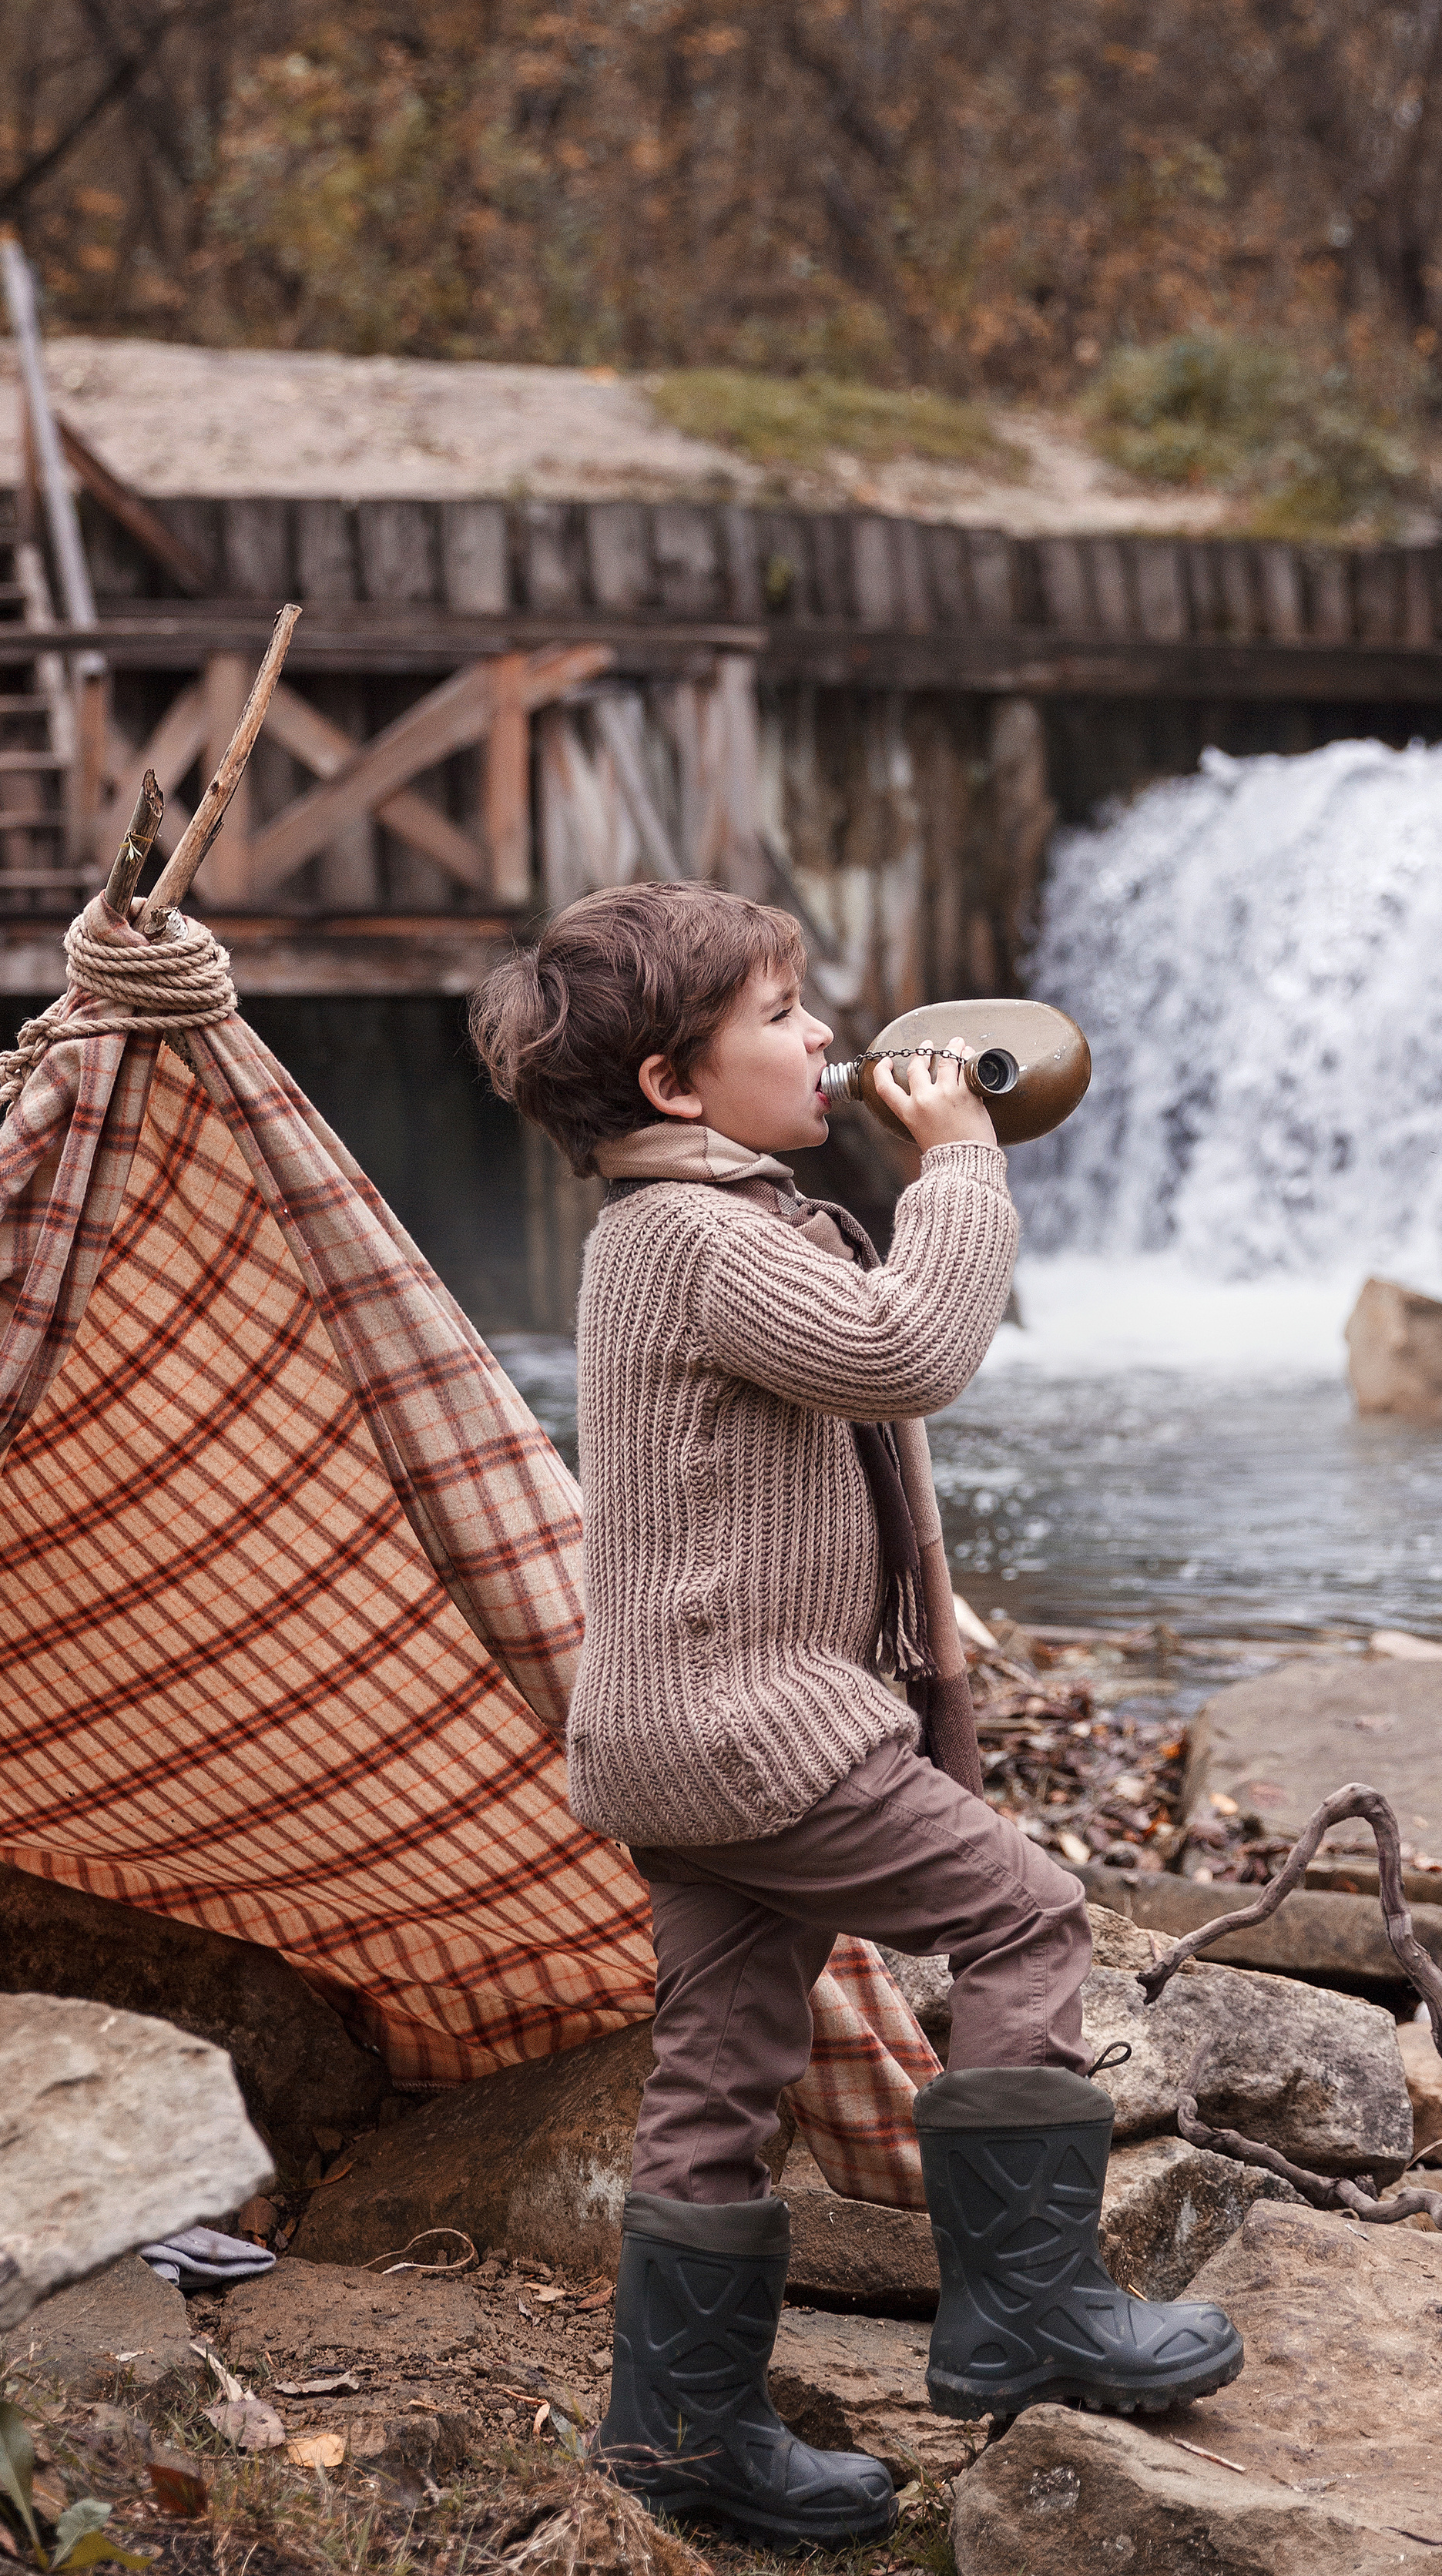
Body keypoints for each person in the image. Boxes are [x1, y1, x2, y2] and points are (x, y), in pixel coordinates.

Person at [472, 882, 1240, 2547]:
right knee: (1026, 1918)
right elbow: (907, 1350)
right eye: (779, 1015)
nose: (823, 1036)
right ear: (676, 1087)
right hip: (754, 1732)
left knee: (720, 2066)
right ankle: (1024, 2308)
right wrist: (959, 1158)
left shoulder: (676, 1228)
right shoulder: (694, 1238)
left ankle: (682, 2434)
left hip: (670, 1737)